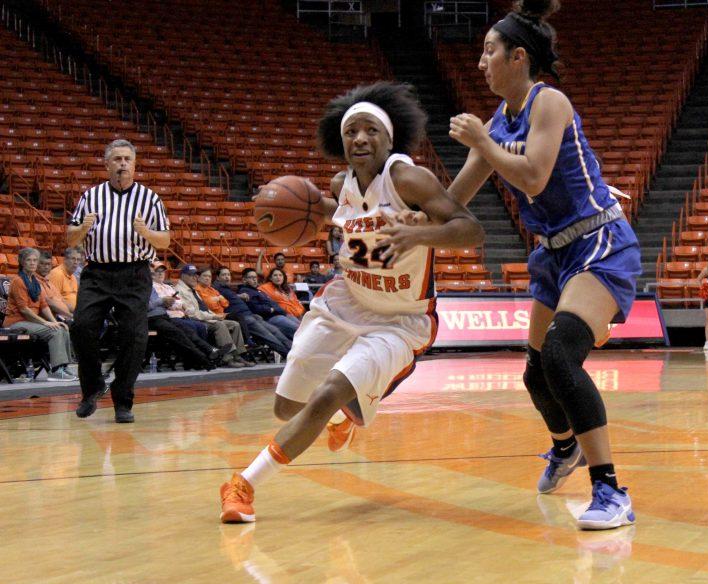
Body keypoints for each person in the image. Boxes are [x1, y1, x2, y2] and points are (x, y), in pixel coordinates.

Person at [218, 81, 484, 524]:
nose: (360, 139)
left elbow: (471, 229)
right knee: (286, 406)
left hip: (399, 319)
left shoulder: (408, 178)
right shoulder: (341, 183)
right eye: (351, 132)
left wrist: (420, 233)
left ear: (389, 137)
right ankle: (348, 412)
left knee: (328, 393)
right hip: (346, 303)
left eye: (370, 131)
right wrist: (284, 206)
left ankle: (243, 485)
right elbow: (332, 212)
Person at [441, 0, 641, 530]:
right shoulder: (496, 122)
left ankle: (611, 492)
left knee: (560, 355)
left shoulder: (548, 101)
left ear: (518, 56)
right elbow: (451, 201)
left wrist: (484, 142)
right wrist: (396, 219)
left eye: (489, 50)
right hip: (554, 252)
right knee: (535, 374)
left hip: (599, 241)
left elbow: (532, 176)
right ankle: (565, 445)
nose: (480, 62)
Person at [68, 139, 170, 423]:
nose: (122, 164)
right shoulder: (91, 196)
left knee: (135, 336)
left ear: (134, 165)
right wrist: (83, 228)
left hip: (135, 274)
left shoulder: (150, 199)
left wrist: (146, 232)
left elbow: (165, 240)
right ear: (107, 164)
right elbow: (71, 237)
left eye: (127, 159)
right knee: (81, 326)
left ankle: (122, 400)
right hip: (97, 272)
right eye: (117, 159)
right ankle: (92, 388)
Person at [5, 248, 77, 381]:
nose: (32, 263)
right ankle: (56, 371)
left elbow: (43, 306)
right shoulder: (18, 281)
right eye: (29, 260)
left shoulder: (35, 281)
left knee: (62, 328)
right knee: (54, 331)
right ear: (22, 262)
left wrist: (54, 321)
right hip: (16, 322)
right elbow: (24, 310)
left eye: (35, 260)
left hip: (30, 321)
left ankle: (64, 367)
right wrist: (46, 323)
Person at [175, 264, 250, 368]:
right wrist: (214, 317)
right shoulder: (180, 290)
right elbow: (193, 313)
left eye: (195, 275)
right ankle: (227, 358)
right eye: (191, 275)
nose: (194, 277)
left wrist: (215, 315)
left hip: (205, 317)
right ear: (183, 275)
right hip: (195, 320)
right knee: (220, 325)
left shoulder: (192, 289)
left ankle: (238, 355)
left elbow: (209, 306)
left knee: (234, 324)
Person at [147, 266, 218, 370]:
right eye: (156, 272)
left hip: (165, 316)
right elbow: (148, 306)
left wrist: (166, 302)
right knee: (181, 333)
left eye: (162, 272)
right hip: (154, 318)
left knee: (189, 330)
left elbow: (177, 302)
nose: (160, 274)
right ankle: (202, 359)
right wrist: (162, 301)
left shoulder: (166, 287)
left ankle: (209, 352)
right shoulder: (147, 287)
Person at [212, 267, 292, 358]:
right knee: (267, 335)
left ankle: (293, 351)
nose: (227, 277)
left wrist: (238, 296)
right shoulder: (216, 288)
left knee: (275, 331)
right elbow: (218, 299)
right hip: (242, 317)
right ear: (217, 278)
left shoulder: (228, 288)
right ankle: (288, 354)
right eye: (224, 275)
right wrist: (239, 295)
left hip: (251, 315)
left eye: (228, 275)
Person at [239, 268, 301, 339]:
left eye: (255, 277)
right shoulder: (250, 291)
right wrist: (271, 309)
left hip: (282, 313)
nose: (254, 279)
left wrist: (275, 309)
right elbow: (256, 308)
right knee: (298, 329)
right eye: (251, 277)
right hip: (271, 317)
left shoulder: (259, 291)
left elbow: (272, 303)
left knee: (303, 327)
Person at [36, 251, 74, 322]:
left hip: (63, 317)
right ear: (36, 264)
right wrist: (71, 315)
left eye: (48, 264)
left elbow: (63, 301)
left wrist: (78, 313)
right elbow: (49, 302)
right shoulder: (35, 281)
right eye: (42, 264)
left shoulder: (49, 282)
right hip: (50, 320)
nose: (46, 267)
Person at [47, 247, 80, 314]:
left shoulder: (73, 277)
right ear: (65, 260)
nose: (76, 262)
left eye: (78, 259)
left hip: (75, 313)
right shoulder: (57, 274)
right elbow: (54, 301)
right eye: (73, 259)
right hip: (62, 315)